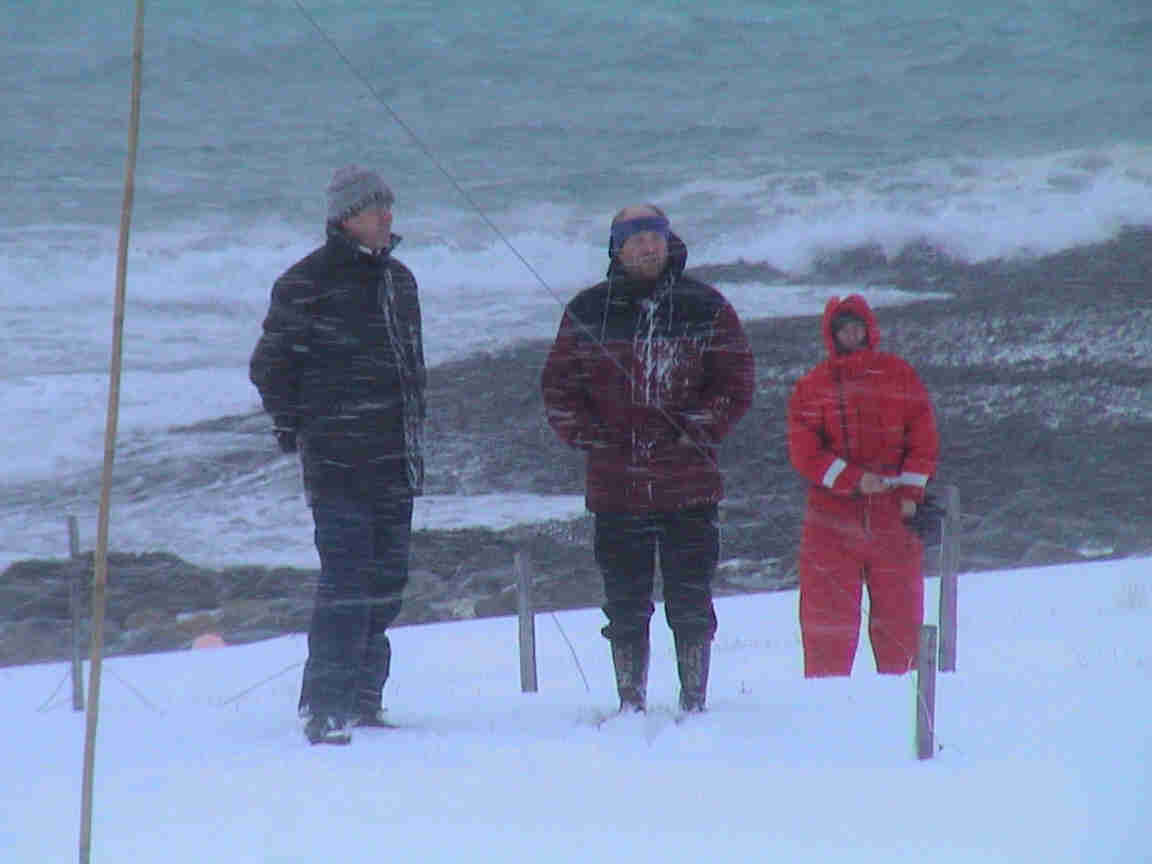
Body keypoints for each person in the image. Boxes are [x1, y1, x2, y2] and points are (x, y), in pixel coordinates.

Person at [541, 205, 755, 713]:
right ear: (616, 248)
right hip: (617, 489)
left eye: (654, 236)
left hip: (690, 486)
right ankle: (630, 702)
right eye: (634, 238)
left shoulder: (706, 306)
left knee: (691, 600)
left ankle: (695, 700)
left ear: (669, 242)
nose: (647, 246)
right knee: (625, 604)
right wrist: (596, 440)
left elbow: (736, 383)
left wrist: (699, 430)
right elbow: (558, 393)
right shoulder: (588, 310)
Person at [249, 166, 426, 744]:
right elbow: (271, 366)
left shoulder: (399, 281)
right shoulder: (306, 282)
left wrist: (411, 431)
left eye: (389, 207)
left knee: (387, 582)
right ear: (346, 216)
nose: (387, 217)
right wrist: (300, 429)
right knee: (346, 583)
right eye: (377, 208)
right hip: (338, 463)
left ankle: (365, 701)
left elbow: (411, 371)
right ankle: (325, 706)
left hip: (395, 460)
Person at [787, 295, 939, 677]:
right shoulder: (813, 386)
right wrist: (853, 480)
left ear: (870, 330)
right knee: (827, 620)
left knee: (900, 619)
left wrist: (910, 496)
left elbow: (922, 437)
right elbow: (804, 450)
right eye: (843, 329)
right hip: (830, 517)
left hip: (893, 516)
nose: (851, 335)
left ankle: (907, 700)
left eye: (857, 327)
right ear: (831, 335)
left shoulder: (899, 375)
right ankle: (825, 702)